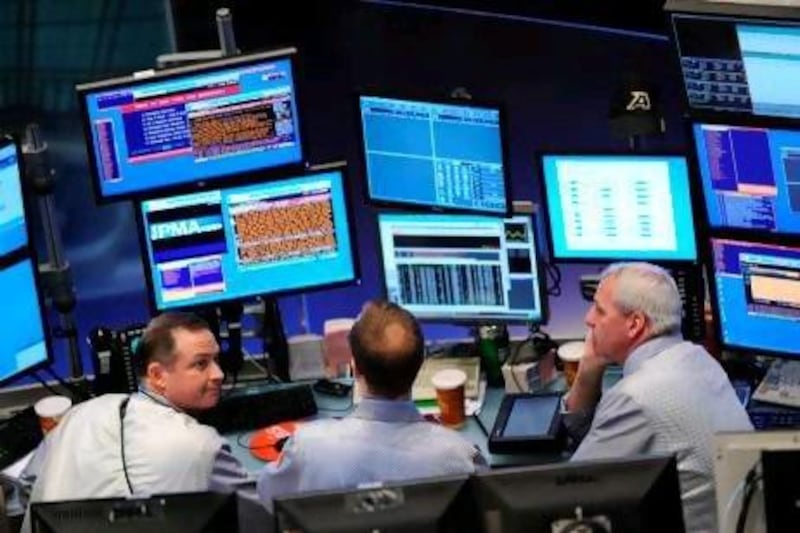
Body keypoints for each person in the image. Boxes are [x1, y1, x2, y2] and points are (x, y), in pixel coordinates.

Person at [21, 312, 256, 530]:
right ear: (157, 375)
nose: (219, 374)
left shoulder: (77, 414)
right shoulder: (203, 446)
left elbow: (28, 487)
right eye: (201, 364)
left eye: (216, 360)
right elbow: (259, 517)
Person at [564, 262, 752, 533]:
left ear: (635, 324)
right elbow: (596, 437)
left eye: (600, 310)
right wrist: (589, 369)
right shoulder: (699, 360)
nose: (589, 319)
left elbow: (569, 495)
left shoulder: (636, 397)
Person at [257, 299, 486, 509]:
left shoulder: (306, 448)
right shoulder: (459, 457)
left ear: (355, 368)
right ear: (420, 364)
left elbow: (266, 500)